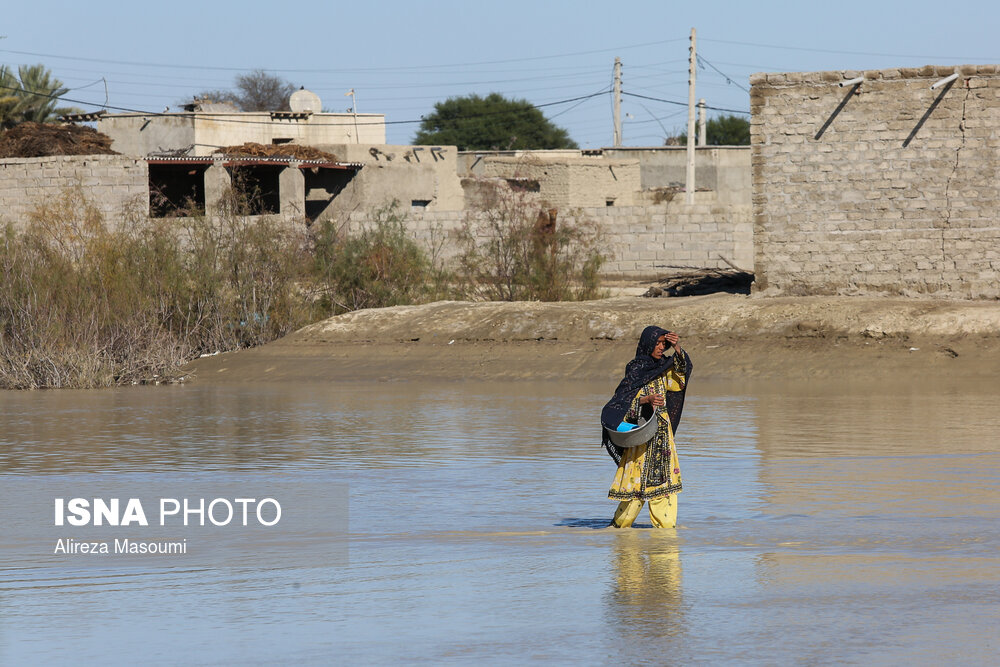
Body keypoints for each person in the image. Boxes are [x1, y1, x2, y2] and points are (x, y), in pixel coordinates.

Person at [601, 326, 692, 528]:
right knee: (635, 488)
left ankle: (666, 537)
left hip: (663, 436)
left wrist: (677, 348)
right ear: (648, 344)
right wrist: (645, 400)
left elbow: (679, 382)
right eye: (657, 343)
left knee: (664, 487)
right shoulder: (635, 369)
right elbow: (621, 402)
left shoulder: (665, 367)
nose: (661, 347)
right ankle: (619, 530)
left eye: (664, 343)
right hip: (641, 437)